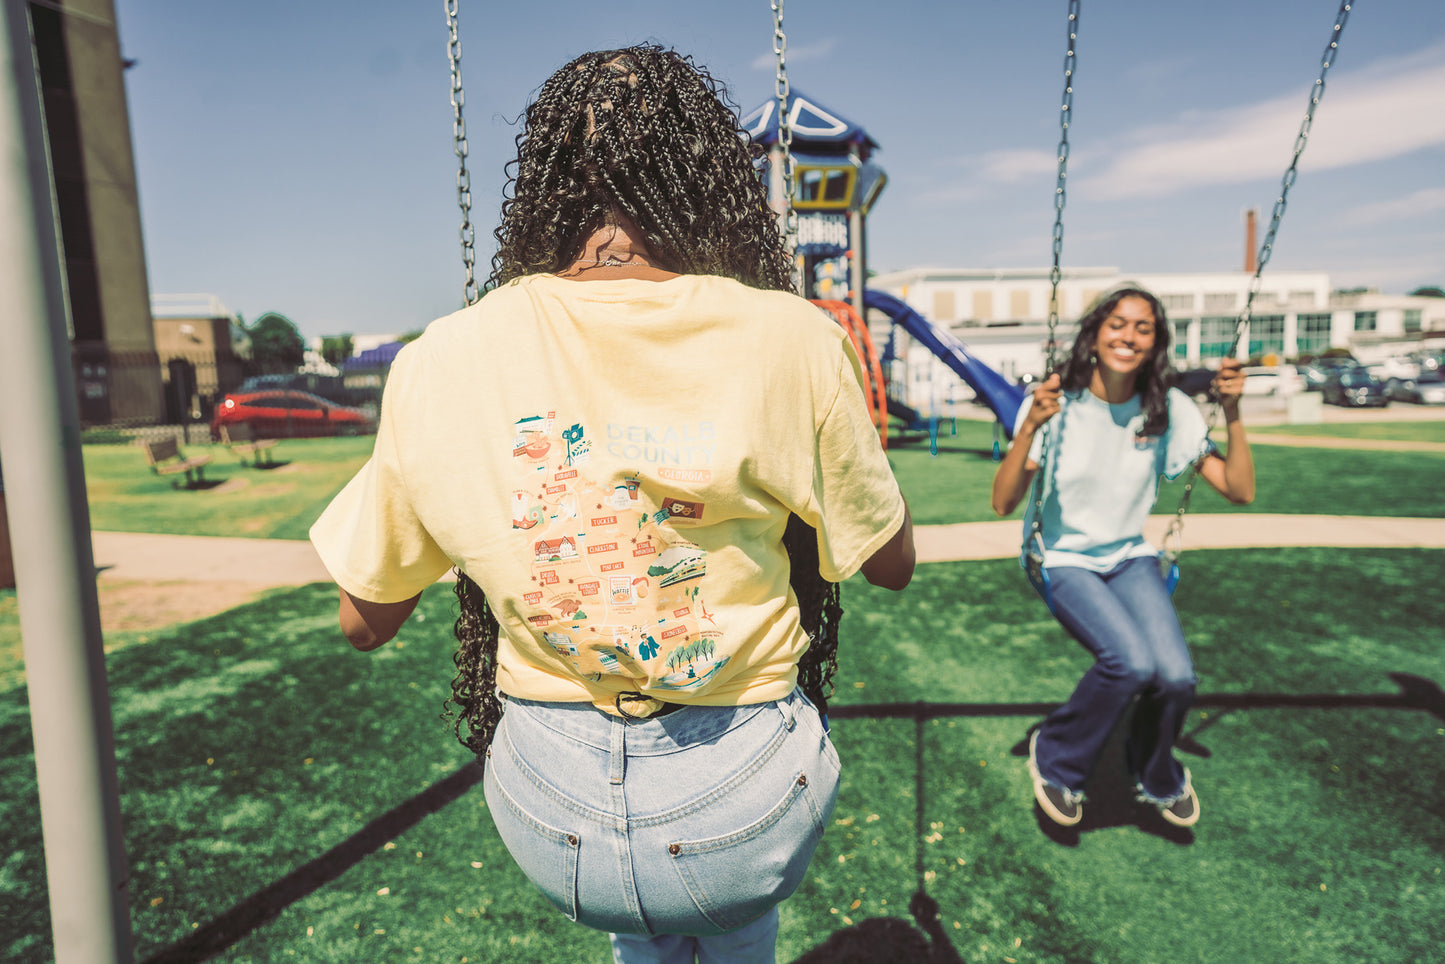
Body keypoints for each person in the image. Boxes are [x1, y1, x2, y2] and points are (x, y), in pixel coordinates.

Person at [310, 45, 914, 964]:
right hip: (742, 807)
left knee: (643, 928)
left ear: (546, 181)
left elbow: (363, 622)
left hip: (556, 828)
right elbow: (891, 564)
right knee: (725, 909)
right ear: (711, 175)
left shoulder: (443, 355)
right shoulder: (790, 336)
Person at [990, 287, 1254, 829]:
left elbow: (1238, 488)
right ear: (1095, 332)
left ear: (1156, 342)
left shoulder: (1168, 408)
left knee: (1177, 677)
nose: (1128, 337)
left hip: (1130, 557)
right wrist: (1032, 427)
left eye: (1142, 328)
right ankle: (1057, 756)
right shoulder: (1056, 401)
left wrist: (1232, 410)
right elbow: (1002, 502)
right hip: (1063, 558)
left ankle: (1154, 771)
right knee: (1130, 663)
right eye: (1118, 323)